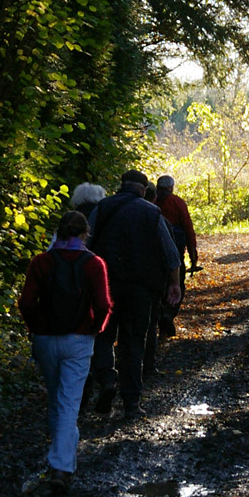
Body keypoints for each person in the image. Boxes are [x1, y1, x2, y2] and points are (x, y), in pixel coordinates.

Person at [18, 211, 113, 494]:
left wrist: (36, 328)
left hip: (45, 340)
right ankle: (60, 468)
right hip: (78, 340)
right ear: (85, 234)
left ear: (57, 233)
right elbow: (104, 305)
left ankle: (62, 461)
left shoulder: (41, 261)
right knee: (68, 402)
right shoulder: (94, 263)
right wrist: (93, 330)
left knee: (57, 398)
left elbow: (25, 302)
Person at [87, 170, 181, 420]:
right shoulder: (153, 213)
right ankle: (131, 403)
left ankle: (107, 379)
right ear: (143, 189)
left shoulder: (102, 207)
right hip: (141, 288)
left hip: (106, 285)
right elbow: (170, 253)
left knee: (103, 336)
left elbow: (86, 244)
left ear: (121, 185)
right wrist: (174, 284)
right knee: (134, 342)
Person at [154, 175, 198, 338]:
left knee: (159, 284)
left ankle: (160, 316)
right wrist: (193, 253)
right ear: (171, 187)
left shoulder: (152, 201)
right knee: (178, 283)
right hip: (175, 251)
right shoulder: (178, 202)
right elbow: (188, 227)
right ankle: (168, 314)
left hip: (155, 253)